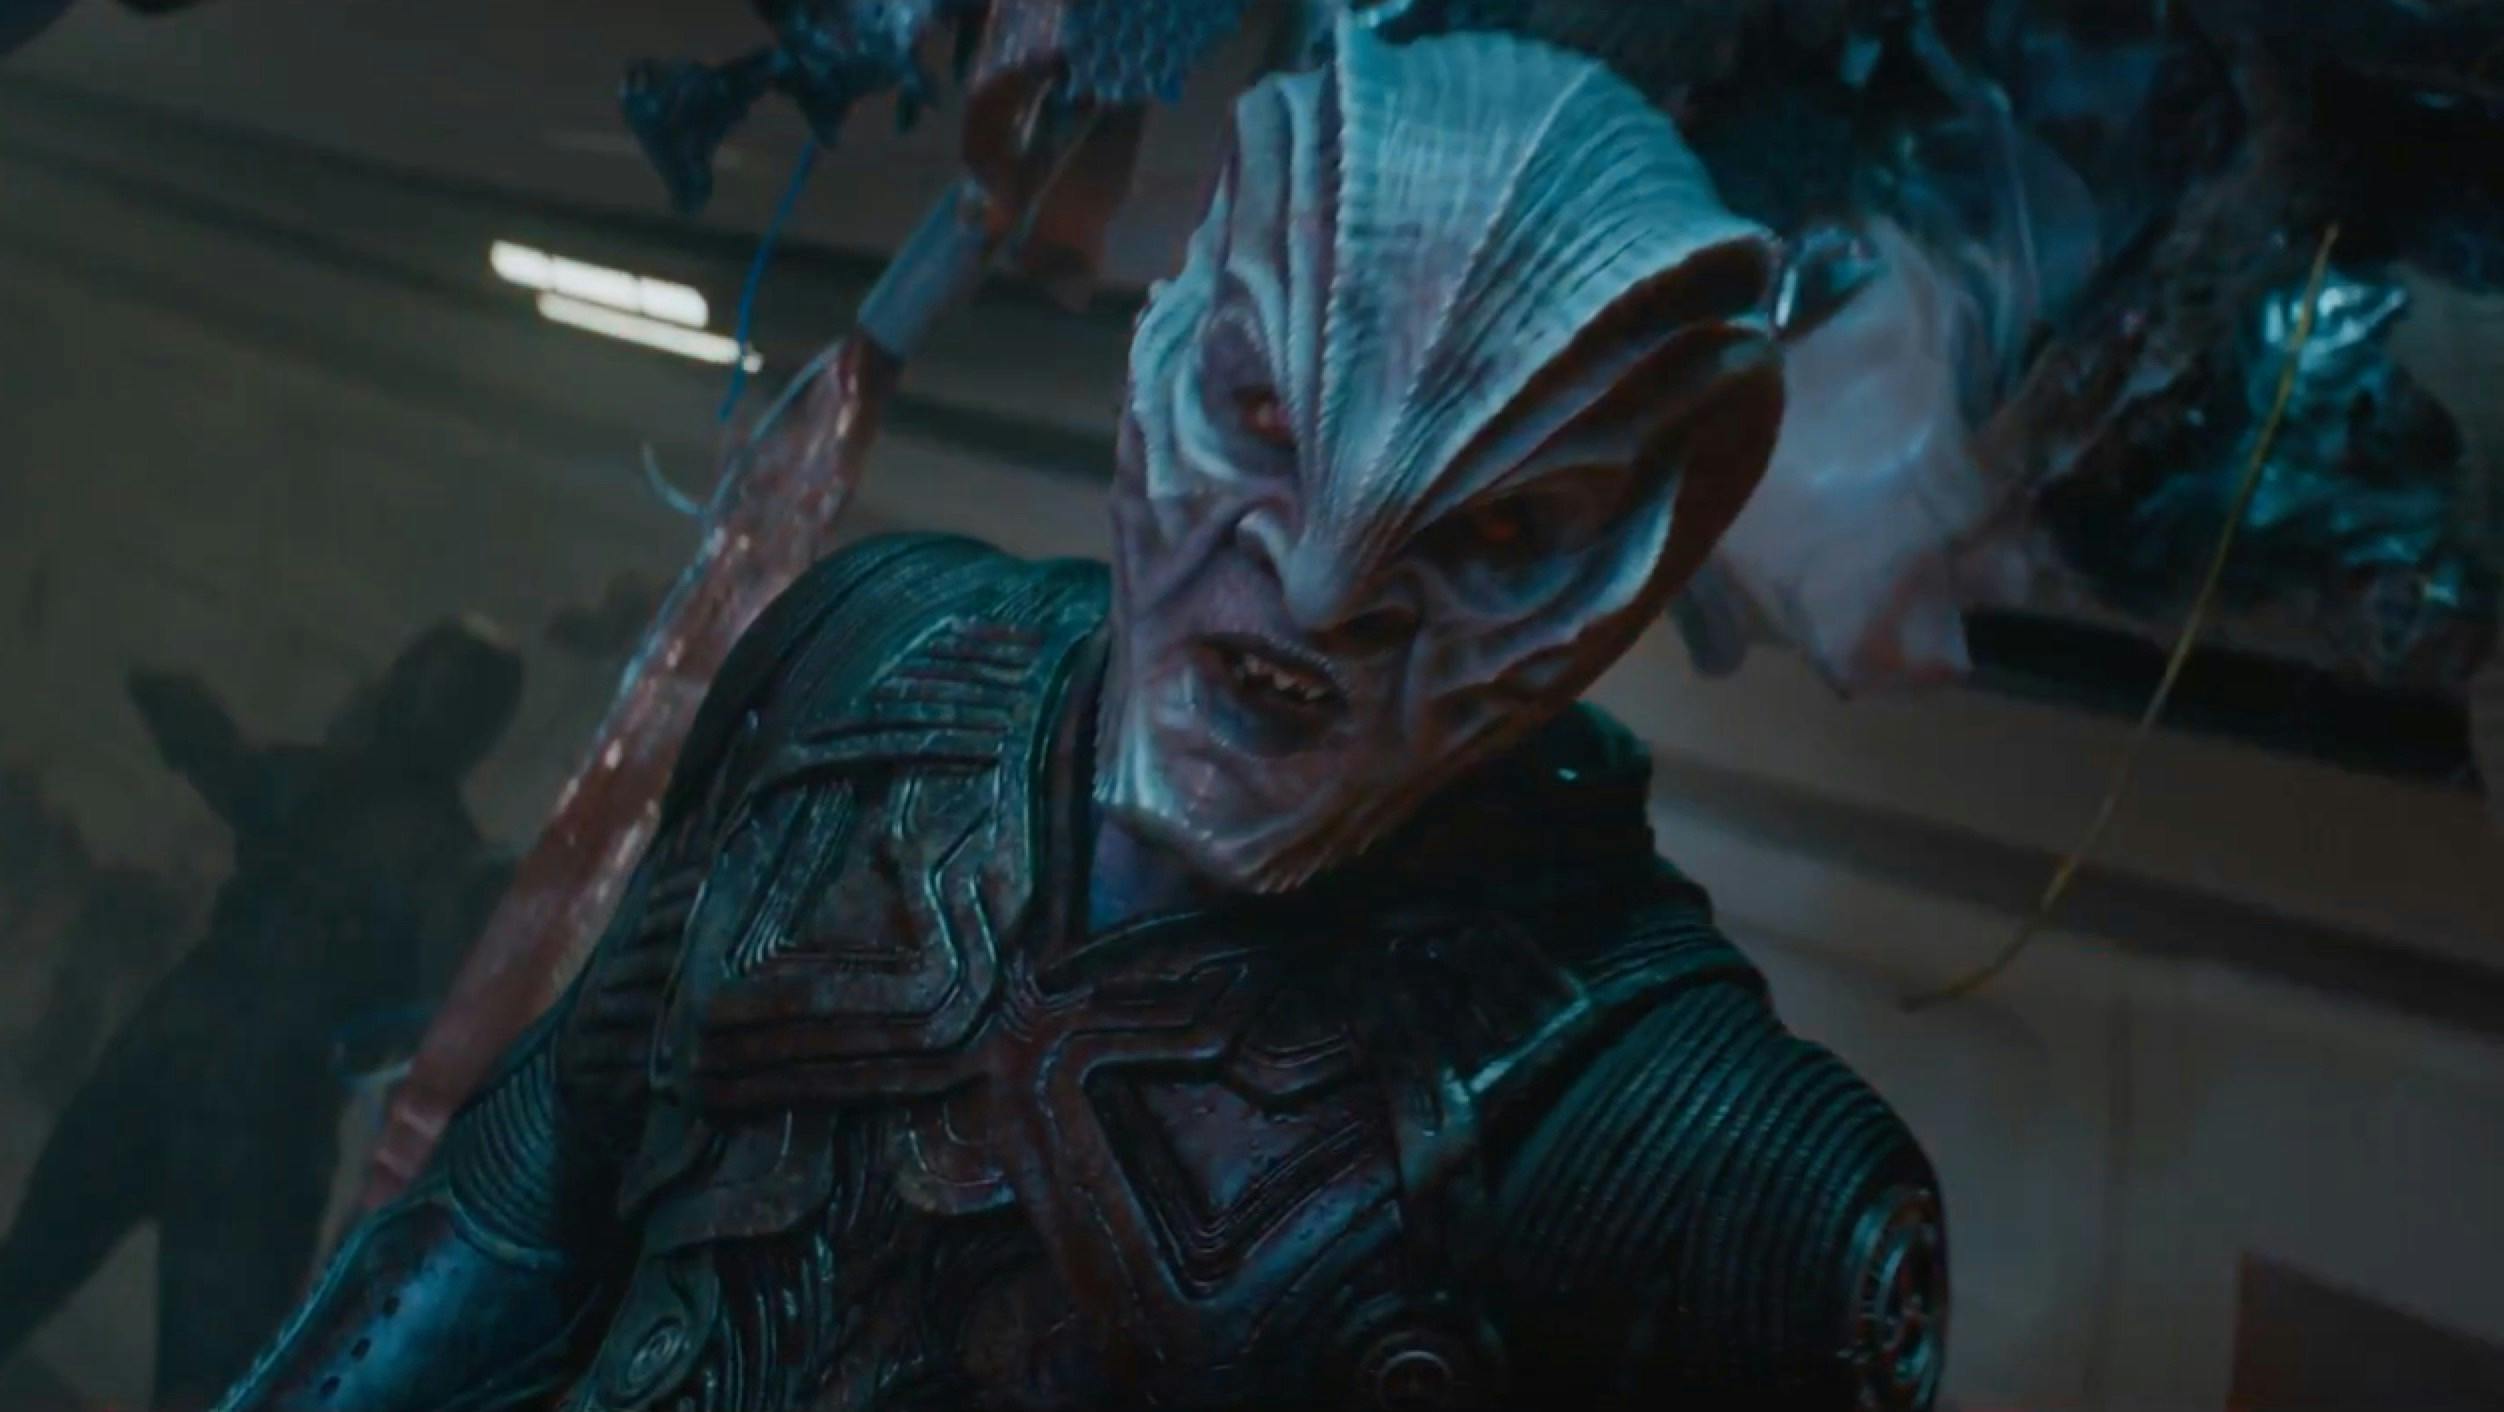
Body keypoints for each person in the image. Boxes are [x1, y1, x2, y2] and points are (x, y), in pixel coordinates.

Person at [215, 23, 1946, 1412]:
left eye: (1495, 535)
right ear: (1171, 337)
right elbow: (523, 1199)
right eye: (1264, 419)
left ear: (1637, 569)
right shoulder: (873, 659)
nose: (1318, 580)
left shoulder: (1708, 1168)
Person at [0, 621, 520, 1412]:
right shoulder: (435, 856)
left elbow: (232, 770)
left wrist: (180, 712)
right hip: (255, 1120)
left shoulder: (341, 797)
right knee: (186, 1367)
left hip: (202, 1081)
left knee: (47, 1281)